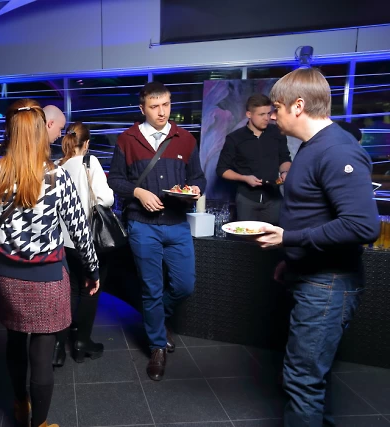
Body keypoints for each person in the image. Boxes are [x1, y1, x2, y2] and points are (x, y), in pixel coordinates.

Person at [257, 68, 380, 427]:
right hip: (312, 276)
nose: (273, 116)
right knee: (306, 379)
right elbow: (312, 212)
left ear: (298, 106)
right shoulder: (313, 147)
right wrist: (292, 260)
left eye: (277, 108)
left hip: (328, 284)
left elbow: (363, 226)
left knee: (302, 382)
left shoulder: (337, 150)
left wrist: (289, 239)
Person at [0, 99, 99, 427]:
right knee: (42, 354)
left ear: (8, 132)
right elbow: (80, 231)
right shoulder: (57, 177)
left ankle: (19, 404)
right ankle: (39, 424)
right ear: (42, 133)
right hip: (47, 278)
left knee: (14, 340)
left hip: (5, 277)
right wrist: (92, 269)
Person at [108, 81, 206, 381]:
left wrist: (195, 189)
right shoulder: (127, 139)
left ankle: (157, 321)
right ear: (143, 108)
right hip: (142, 224)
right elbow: (115, 180)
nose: (162, 112)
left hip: (176, 223)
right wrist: (138, 192)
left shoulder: (185, 139)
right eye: (154, 106)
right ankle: (157, 346)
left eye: (166, 105)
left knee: (185, 285)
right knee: (151, 288)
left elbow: (198, 177)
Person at [53, 122, 114, 367]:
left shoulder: (57, 166)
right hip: (87, 240)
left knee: (69, 290)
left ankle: (58, 346)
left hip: (62, 242)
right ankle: (81, 342)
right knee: (90, 289)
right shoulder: (90, 162)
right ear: (86, 143)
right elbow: (105, 198)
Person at [216, 94, 291, 225]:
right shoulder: (234, 138)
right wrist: (244, 178)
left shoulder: (277, 133)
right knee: (246, 236)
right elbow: (222, 170)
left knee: (274, 235)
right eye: (261, 114)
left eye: (268, 113)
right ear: (249, 114)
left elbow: (285, 158)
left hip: (274, 198)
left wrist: (285, 172)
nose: (267, 118)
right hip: (246, 199)